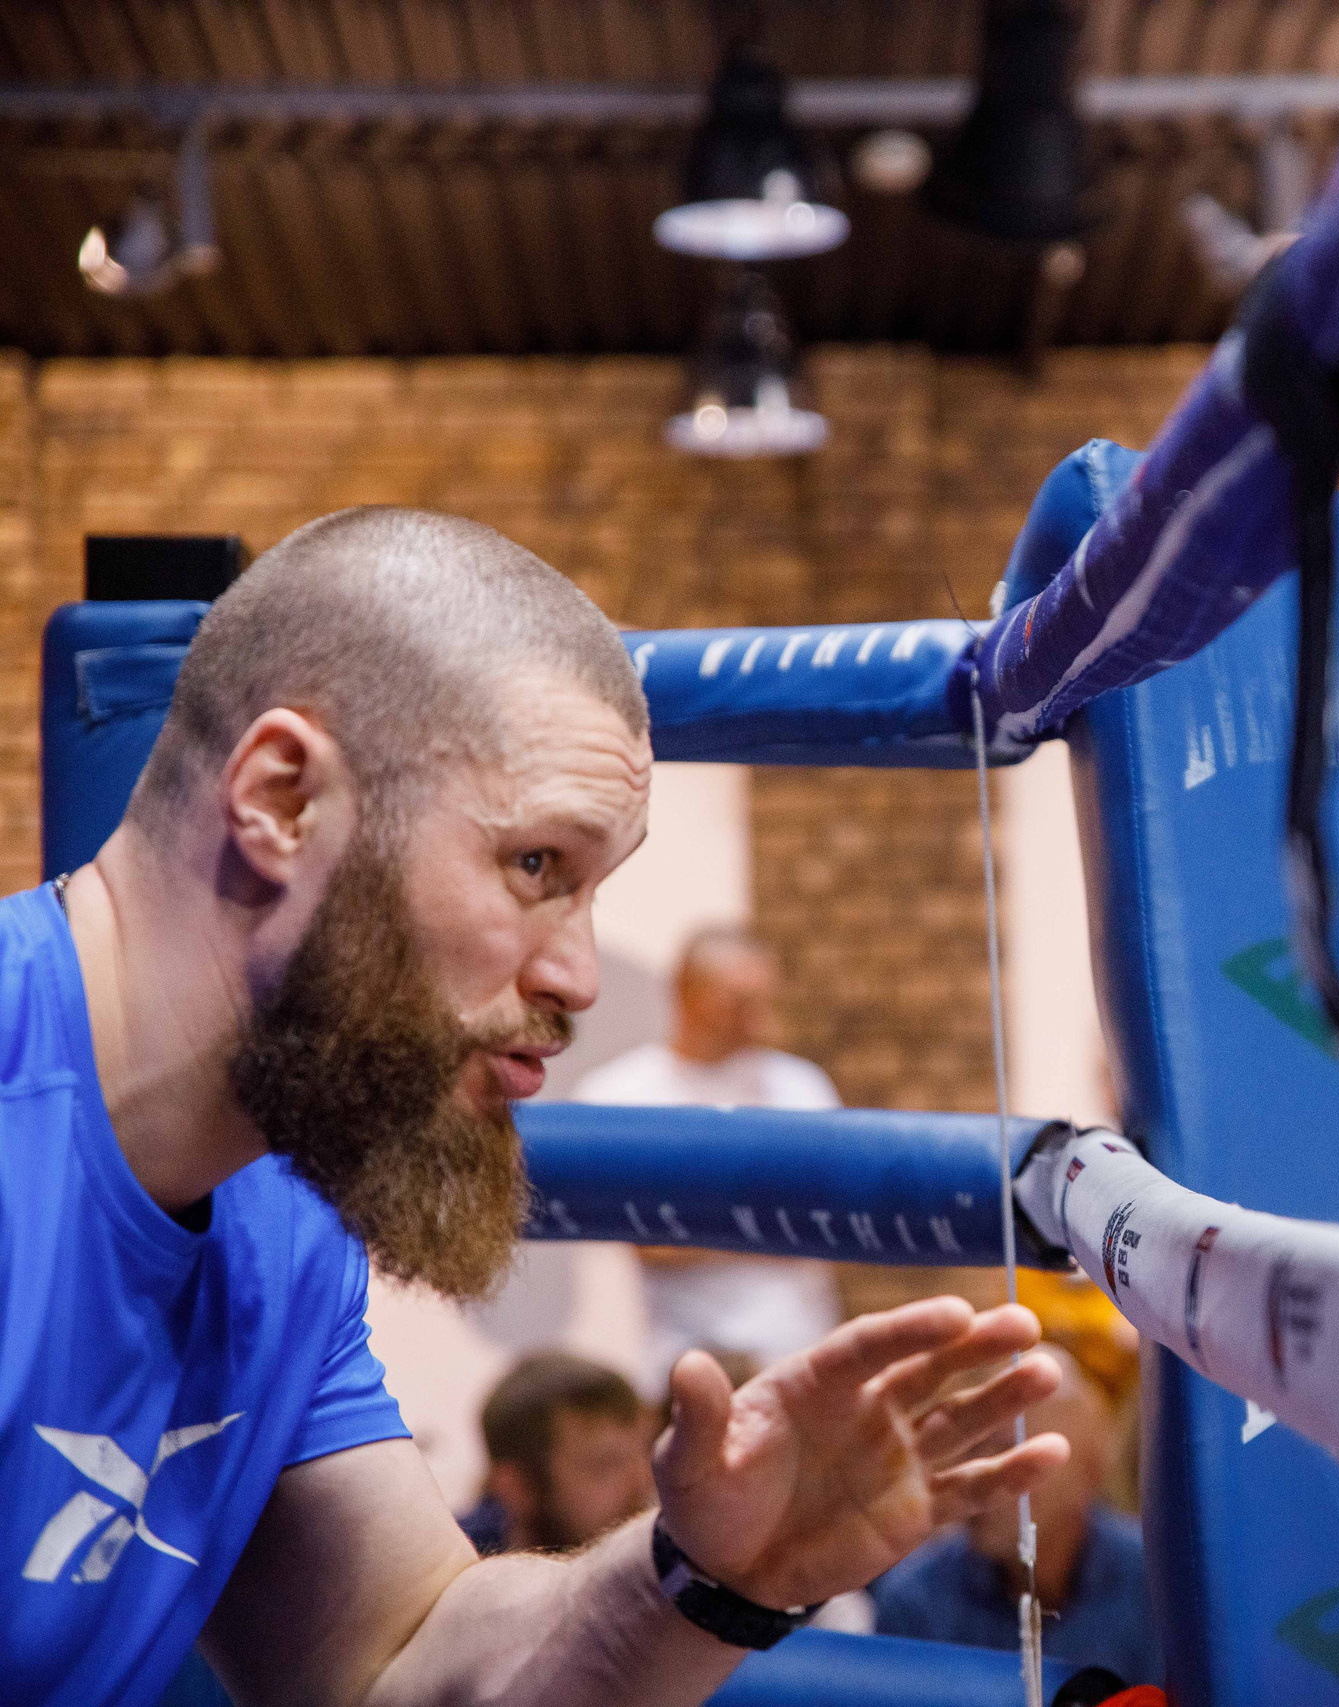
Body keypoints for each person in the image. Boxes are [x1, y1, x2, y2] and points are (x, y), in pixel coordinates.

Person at [3, 506, 1067, 1707]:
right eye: (533, 867)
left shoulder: (277, 1219)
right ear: (284, 800)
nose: (579, 977)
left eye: (591, 888)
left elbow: (402, 1662)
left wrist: (706, 1573)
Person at [577, 927, 846, 1387]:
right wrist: (775, 1222)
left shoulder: (801, 1087)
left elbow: (831, 1221)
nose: (756, 1020)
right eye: (739, 1001)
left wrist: (699, 1222)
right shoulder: (621, 1097)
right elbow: (649, 1244)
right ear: (687, 994)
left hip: (801, 1350)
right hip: (680, 1360)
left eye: (763, 1001)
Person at [870, 1345, 1160, 1687]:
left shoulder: (1160, 1586)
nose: (978, 1472)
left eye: (1006, 1450)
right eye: (970, 1450)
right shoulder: (914, 1601)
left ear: (1089, 1468)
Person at [457, 1353, 655, 1556]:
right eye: (605, 1465)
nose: (644, 1482)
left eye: (649, 1452)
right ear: (519, 1487)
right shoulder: (446, 1575)